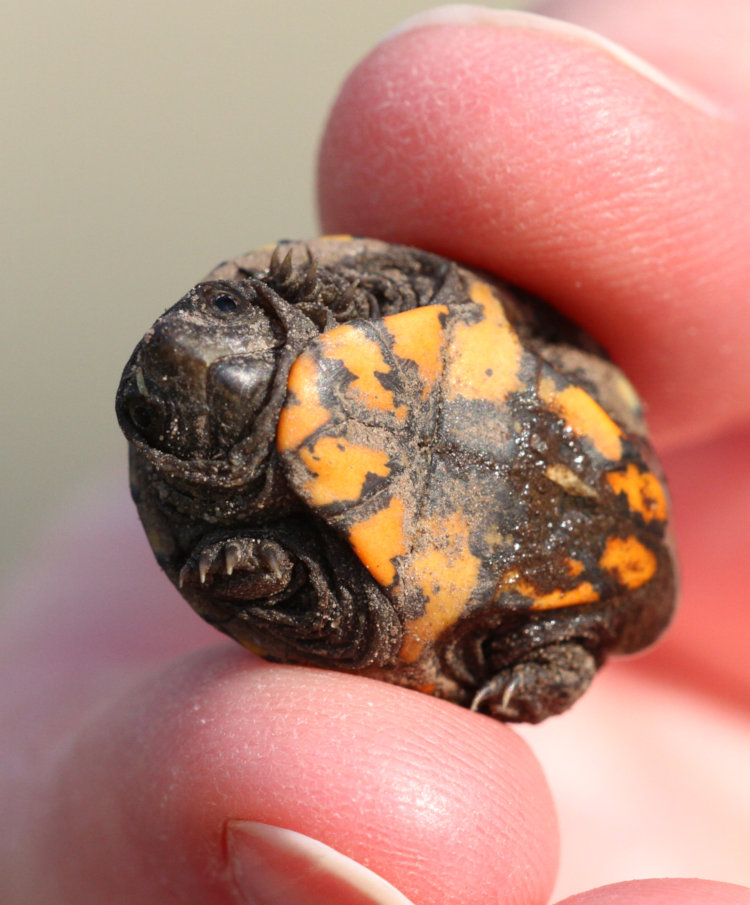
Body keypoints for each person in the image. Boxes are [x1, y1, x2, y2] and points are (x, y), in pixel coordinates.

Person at [2, 2, 749, 902]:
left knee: (337, 627)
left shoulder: (592, 487)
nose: (189, 349)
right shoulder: (332, 316)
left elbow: (345, 620)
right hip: (412, 532)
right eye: (217, 327)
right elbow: (463, 303)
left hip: (412, 550)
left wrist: (246, 567)